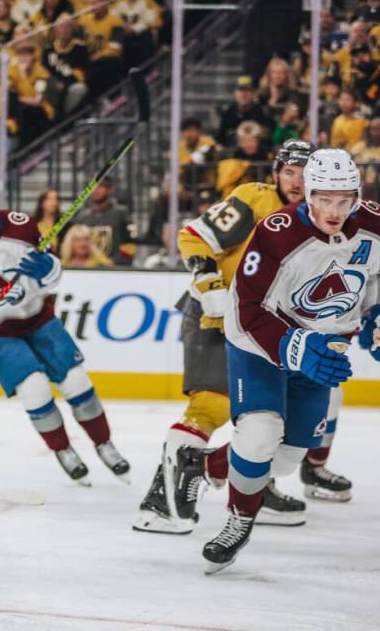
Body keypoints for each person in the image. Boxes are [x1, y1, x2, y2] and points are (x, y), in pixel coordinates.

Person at [177, 149, 380, 574]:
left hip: (323, 347)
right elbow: (247, 307)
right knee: (260, 435)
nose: (334, 211)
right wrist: (295, 346)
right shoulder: (278, 231)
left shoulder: (373, 221)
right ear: (309, 196)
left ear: (357, 194)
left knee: (286, 459)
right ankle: (238, 521)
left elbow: (372, 281)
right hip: (259, 344)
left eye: (344, 199)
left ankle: (201, 464)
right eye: (323, 199)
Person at [133, 140, 314, 535]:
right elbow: (194, 237)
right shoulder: (254, 198)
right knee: (212, 407)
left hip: (266, 328)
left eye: (304, 173)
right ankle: (161, 502)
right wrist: (209, 281)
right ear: (276, 174)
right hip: (215, 317)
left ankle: (255, 489)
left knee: (270, 419)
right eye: (289, 172)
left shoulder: (318, 216)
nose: (296, 181)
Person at [0, 173, 131, 484]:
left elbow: (49, 269)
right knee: (35, 389)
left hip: (38, 318)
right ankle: (63, 449)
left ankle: (104, 444)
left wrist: (49, 270)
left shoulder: (21, 225)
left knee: (77, 383)